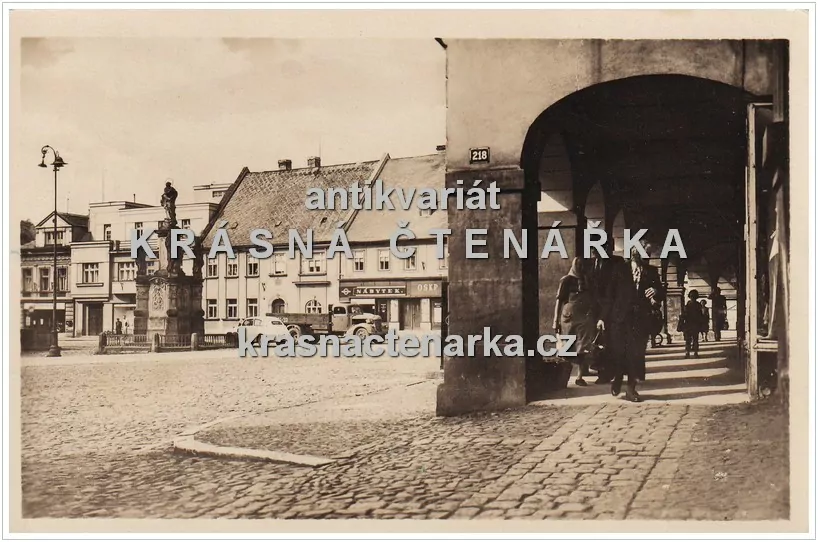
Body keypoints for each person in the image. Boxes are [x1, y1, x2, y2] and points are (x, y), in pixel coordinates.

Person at [599, 243, 664, 402]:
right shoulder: (619, 269)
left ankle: (631, 389)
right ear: (633, 252)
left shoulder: (652, 271)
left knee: (636, 354)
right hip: (619, 319)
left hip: (640, 319)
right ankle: (618, 377)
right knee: (619, 352)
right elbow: (609, 296)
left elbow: (661, 293)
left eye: (648, 252)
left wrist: (656, 291)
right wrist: (602, 318)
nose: (645, 255)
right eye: (642, 251)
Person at [554, 257, 602, 387]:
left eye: (582, 266)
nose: (581, 268)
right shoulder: (566, 280)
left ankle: (579, 377)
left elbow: (593, 298)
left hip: (584, 318)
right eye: (579, 265)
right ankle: (563, 376)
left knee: (583, 347)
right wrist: (555, 320)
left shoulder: (588, 280)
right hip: (568, 319)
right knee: (567, 346)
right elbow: (559, 300)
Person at [682, 290, 704, 358]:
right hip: (694, 324)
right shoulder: (698, 305)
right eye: (692, 296)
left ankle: (688, 353)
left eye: (693, 296)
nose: (692, 298)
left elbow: (684, 315)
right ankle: (694, 353)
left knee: (689, 340)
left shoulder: (688, 305)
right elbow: (701, 315)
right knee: (694, 339)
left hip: (689, 324)